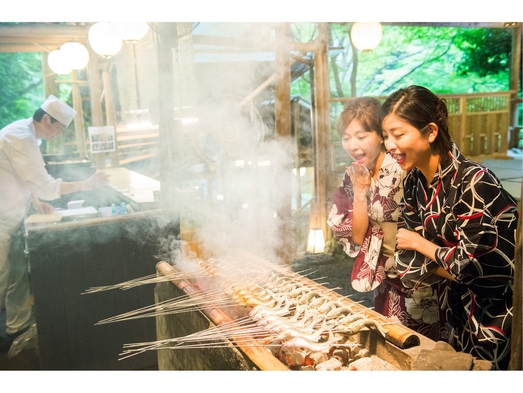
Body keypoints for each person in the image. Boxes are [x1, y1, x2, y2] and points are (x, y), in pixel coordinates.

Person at [380, 85, 518, 370]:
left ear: (430, 132)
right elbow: (405, 262)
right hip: (452, 311)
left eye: (398, 134)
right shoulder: (414, 183)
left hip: (496, 316)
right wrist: (448, 261)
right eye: (385, 137)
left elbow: (476, 269)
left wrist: (424, 246)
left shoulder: (475, 181)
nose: (390, 146)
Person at [327, 97, 447, 341]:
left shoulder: (404, 165)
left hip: (420, 275)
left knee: (424, 345)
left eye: (361, 137)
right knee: (390, 338)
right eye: (346, 138)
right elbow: (358, 236)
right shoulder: (354, 174)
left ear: (381, 136)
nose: (353, 146)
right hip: (385, 276)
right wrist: (360, 193)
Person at [0, 95, 109, 352]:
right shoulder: (22, 137)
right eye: (59, 127)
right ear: (46, 119)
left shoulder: (29, 135)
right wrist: (87, 184)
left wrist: (36, 202)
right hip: (1, 220)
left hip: (13, 217)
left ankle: (16, 331)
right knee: (1, 278)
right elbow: (47, 186)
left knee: (16, 277)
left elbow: (24, 177)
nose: (59, 134)